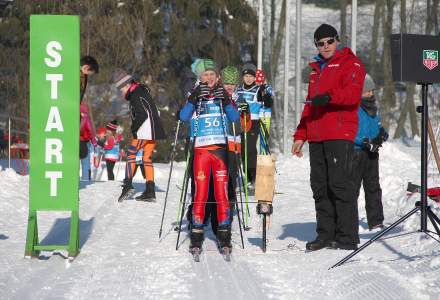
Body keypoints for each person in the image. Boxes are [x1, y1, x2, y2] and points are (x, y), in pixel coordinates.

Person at [292, 23, 366, 251]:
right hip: (316, 134)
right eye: (320, 43)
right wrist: (300, 134)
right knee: (320, 185)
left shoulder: (350, 63)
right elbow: (309, 106)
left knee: (339, 184)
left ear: (337, 40)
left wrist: (329, 97)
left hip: (338, 131)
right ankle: (325, 234)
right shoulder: (316, 69)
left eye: (329, 41)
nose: (325, 46)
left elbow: (353, 94)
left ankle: (347, 236)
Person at [179, 59, 240, 253]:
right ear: (200, 77)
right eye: (205, 75)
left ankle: (224, 234)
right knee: (201, 193)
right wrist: (193, 98)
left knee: (222, 194)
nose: (209, 77)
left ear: (217, 76)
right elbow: (183, 117)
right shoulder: (194, 93)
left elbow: (235, 118)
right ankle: (196, 235)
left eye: (212, 74)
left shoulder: (223, 94)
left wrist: (227, 101)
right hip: (201, 151)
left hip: (220, 150)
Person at [113, 69, 166, 202]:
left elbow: (142, 115)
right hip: (153, 129)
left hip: (145, 130)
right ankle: (150, 191)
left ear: (126, 85)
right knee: (146, 158)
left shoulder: (136, 94)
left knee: (131, 154)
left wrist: (134, 128)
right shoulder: (140, 91)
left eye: (121, 89)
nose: (121, 92)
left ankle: (128, 185)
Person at [353, 74, 388, 231]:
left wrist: (381, 132)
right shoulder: (352, 107)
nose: (370, 94)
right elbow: (350, 132)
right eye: (366, 91)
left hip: (372, 152)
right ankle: (348, 221)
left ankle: (376, 221)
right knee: (352, 189)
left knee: (373, 187)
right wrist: (364, 142)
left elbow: (377, 122)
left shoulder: (373, 106)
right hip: (356, 153)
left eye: (371, 91)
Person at [235, 63, 273, 191]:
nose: (248, 79)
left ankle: (255, 178)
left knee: (250, 149)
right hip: (239, 123)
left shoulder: (258, 89)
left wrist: (265, 93)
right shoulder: (238, 89)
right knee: (242, 151)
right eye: (246, 76)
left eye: (251, 76)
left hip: (253, 122)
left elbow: (268, 102)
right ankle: (249, 177)